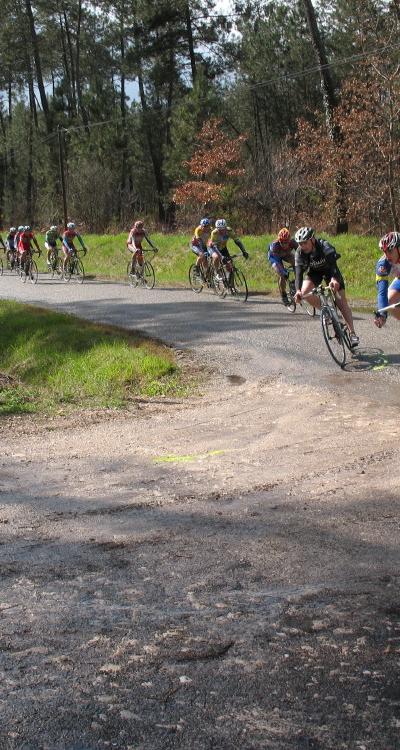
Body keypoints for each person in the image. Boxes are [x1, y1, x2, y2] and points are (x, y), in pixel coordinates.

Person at [294, 226, 359, 348]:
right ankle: (327, 312)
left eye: (305, 243)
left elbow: (334, 265)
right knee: (305, 293)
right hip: (315, 273)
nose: (303, 246)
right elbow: (298, 273)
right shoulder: (299, 252)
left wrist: (334, 279)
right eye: (300, 244)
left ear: (312, 239)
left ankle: (352, 333)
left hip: (331, 271)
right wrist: (297, 291)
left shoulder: (324, 245)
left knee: (341, 303)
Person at [374, 231, 400, 327]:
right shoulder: (383, 264)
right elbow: (382, 291)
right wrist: (382, 314)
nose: (387, 255)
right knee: (390, 300)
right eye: (384, 252)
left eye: (390, 251)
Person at [267, 227, 298, 305]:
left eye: (286, 242)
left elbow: (300, 254)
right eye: (282, 242)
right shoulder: (275, 246)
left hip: (286, 254)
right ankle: (284, 295)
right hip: (274, 257)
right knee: (282, 274)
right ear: (279, 240)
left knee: (297, 262)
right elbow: (277, 263)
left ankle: (295, 283)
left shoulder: (293, 242)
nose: (284, 244)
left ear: (289, 240)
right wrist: (283, 272)